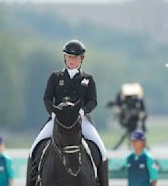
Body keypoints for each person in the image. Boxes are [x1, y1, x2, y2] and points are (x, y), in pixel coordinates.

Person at [27, 39, 108, 186]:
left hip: (80, 120)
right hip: (58, 119)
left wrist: (83, 112)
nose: (72, 60)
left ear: (81, 59)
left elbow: (92, 101)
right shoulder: (55, 77)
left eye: (75, 57)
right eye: (69, 57)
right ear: (65, 57)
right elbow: (47, 98)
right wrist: (53, 113)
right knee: (34, 149)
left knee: (102, 151)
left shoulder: (87, 79)